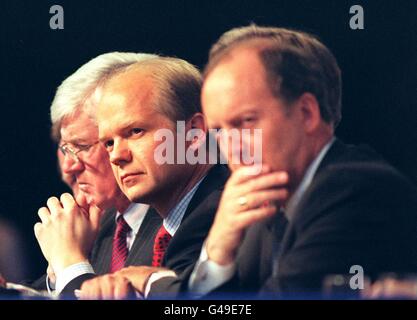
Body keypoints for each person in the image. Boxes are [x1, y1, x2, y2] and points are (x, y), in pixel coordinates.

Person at [184, 25, 417, 298]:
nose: (231, 149)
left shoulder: (357, 190)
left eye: (246, 122)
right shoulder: (258, 209)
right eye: (219, 131)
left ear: (307, 113)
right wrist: (217, 253)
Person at [78, 57, 229, 299]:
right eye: (108, 143)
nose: (116, 156)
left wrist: (72, 266)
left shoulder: (222, 215)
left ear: (193, 132)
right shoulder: (157, 226)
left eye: (135, 131)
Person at [33, 52, 162, 297]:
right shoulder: (101, 223)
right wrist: (56, 270)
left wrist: (70, 261)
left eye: (81, 147)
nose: (69, 167)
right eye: (64, 149)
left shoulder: (179, 221)